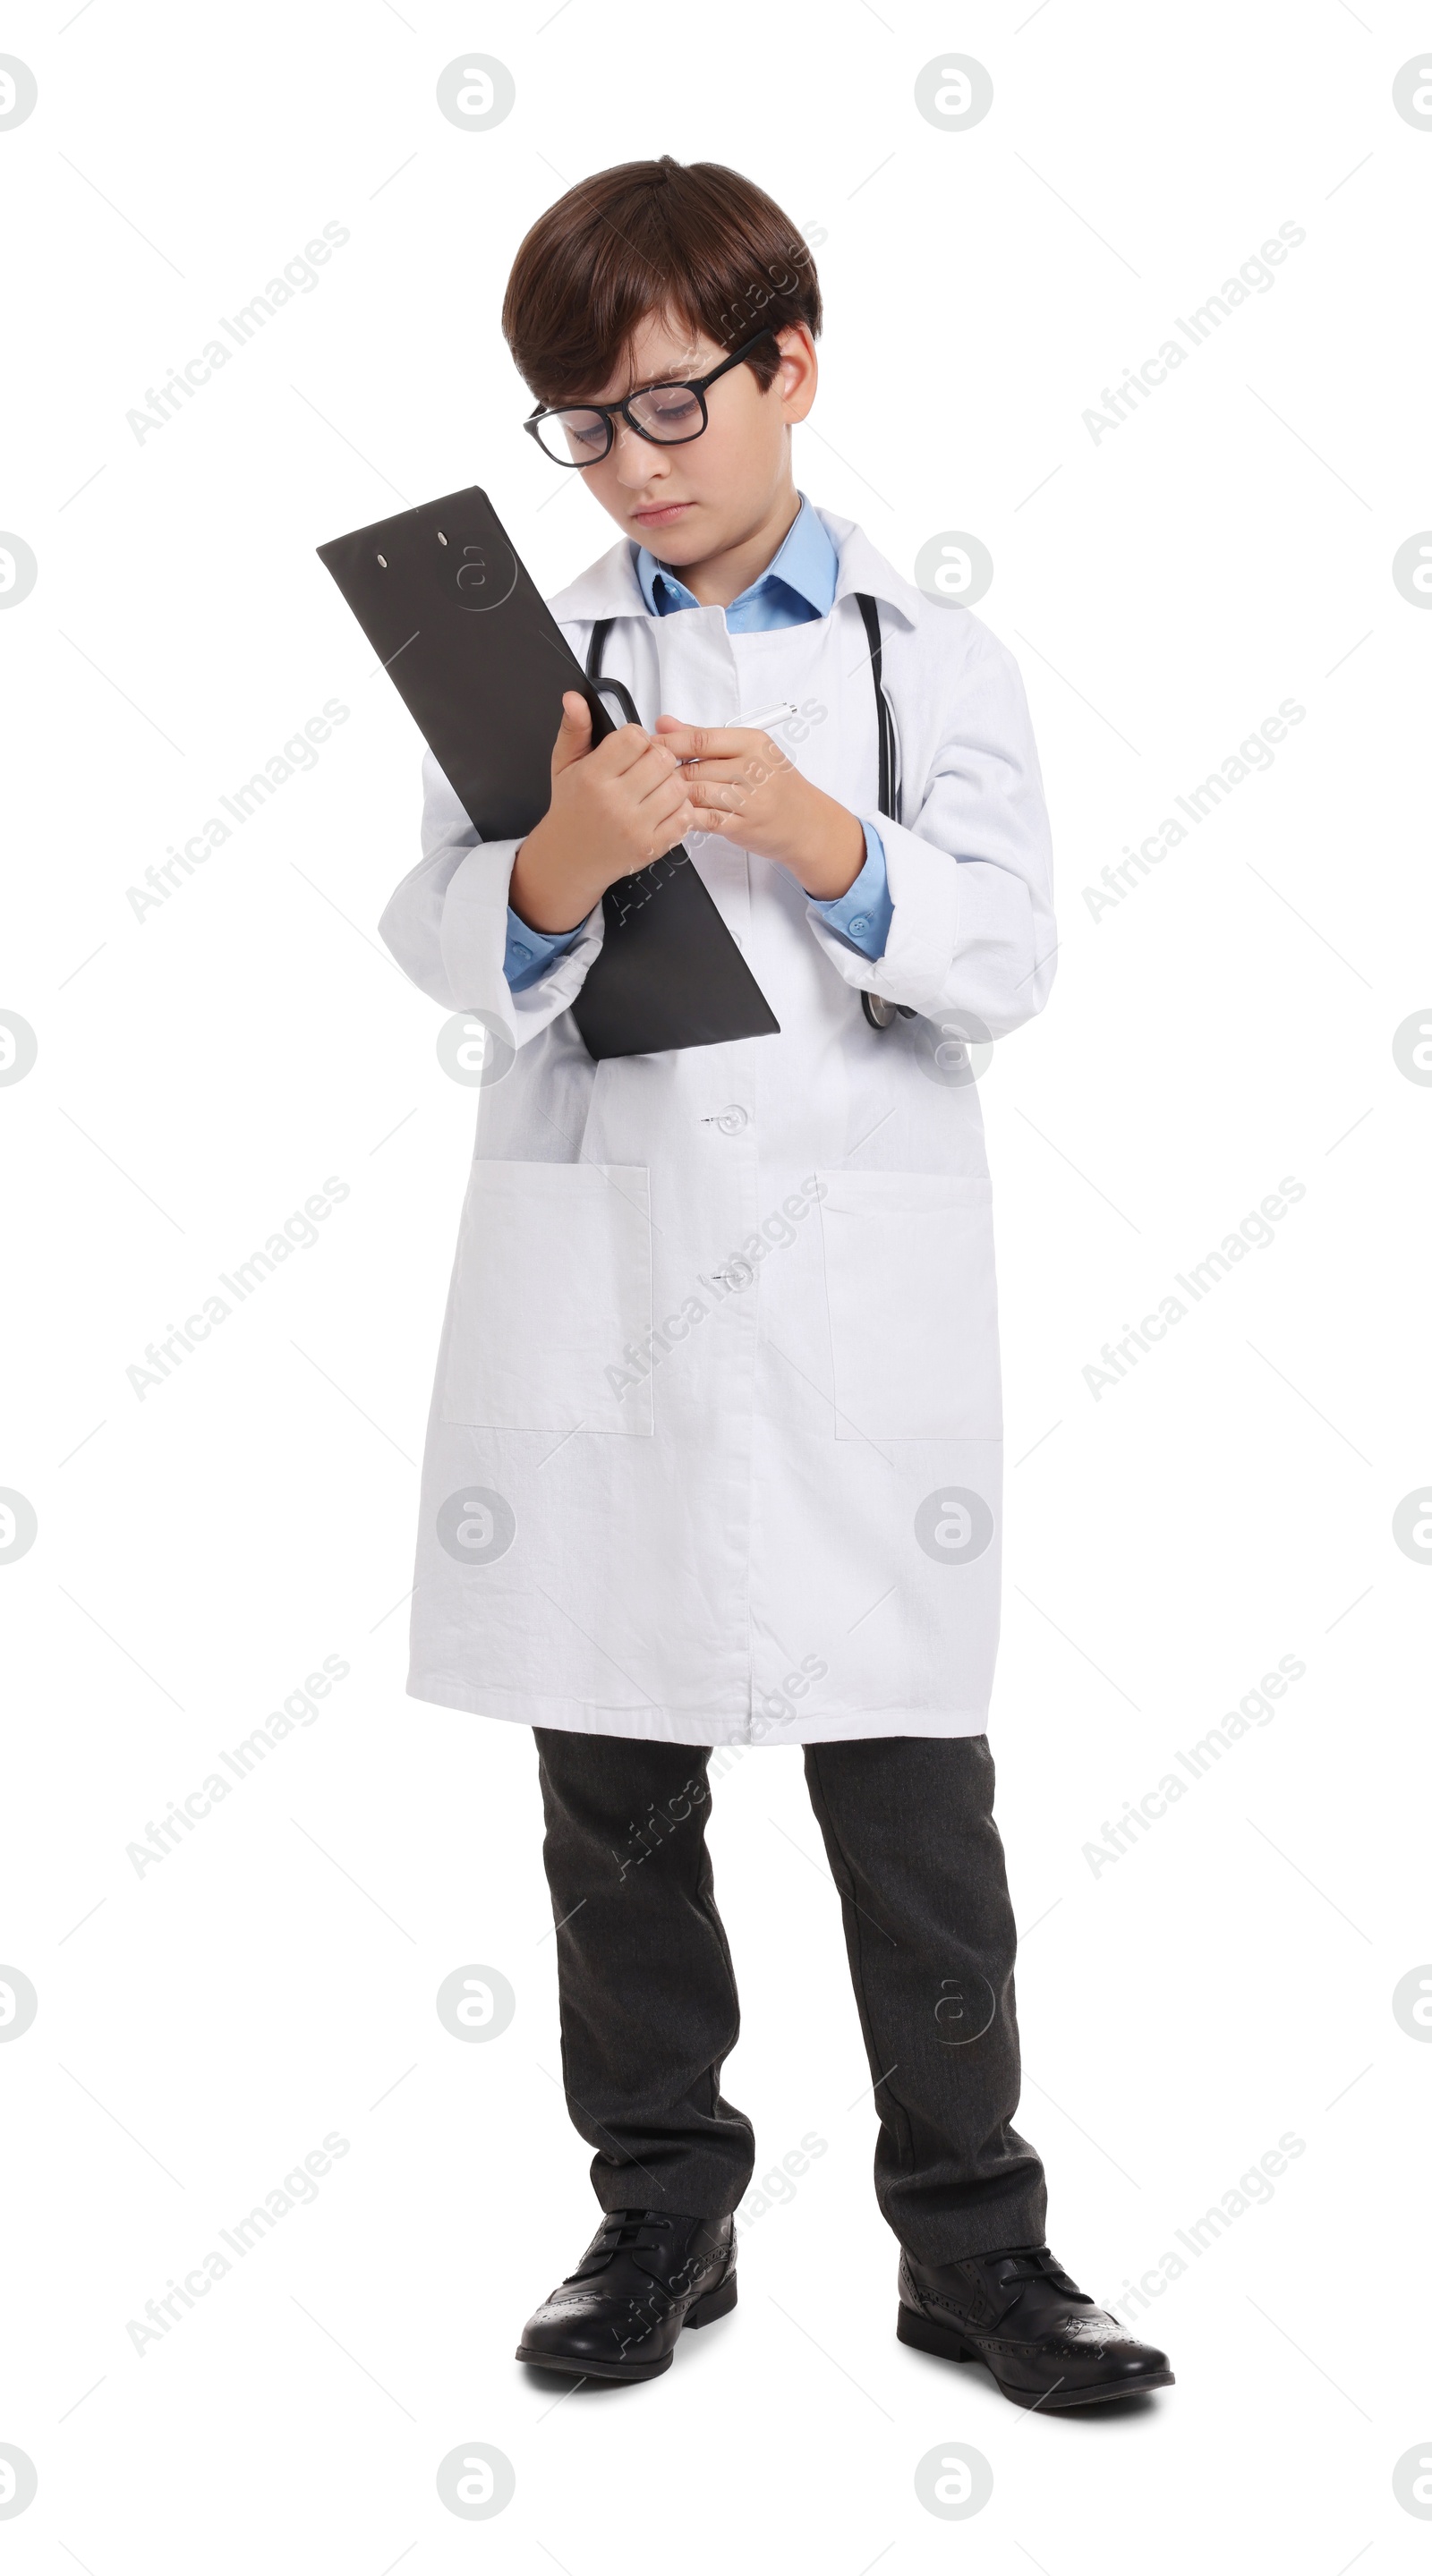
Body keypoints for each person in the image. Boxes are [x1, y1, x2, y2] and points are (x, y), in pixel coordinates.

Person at [378, 155, 1173, 2410]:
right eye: (584, 427)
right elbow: (437, 933)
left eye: (664, 407)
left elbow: (1005, 951)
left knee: (914, 1823)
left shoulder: (935, 662)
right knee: (610, 1813)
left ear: (787, 367)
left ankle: (976, 2253)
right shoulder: (528, 654)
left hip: (854, 1342)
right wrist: (562, 857)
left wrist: (822, 843)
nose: (631, 466)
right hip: (597, 1325)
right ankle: (656, 2225)